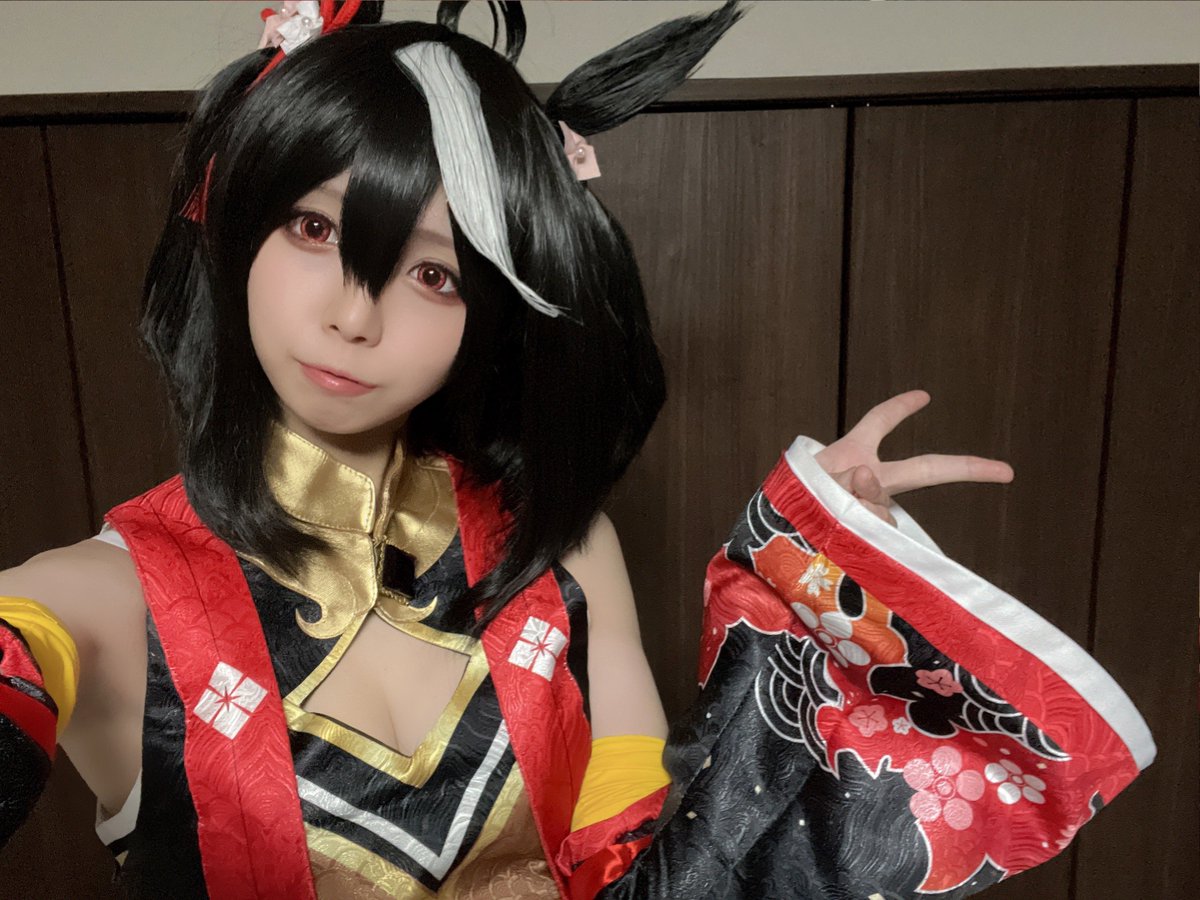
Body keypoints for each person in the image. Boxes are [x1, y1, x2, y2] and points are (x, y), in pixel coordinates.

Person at [0, 2, 1154, 898]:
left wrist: (818, 581)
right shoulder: (92, 603)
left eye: (434, 272)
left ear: (491, 314)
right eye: (315, 228)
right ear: (232, 218)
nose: (355, 314)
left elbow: (655, 875)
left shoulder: (560, 552)